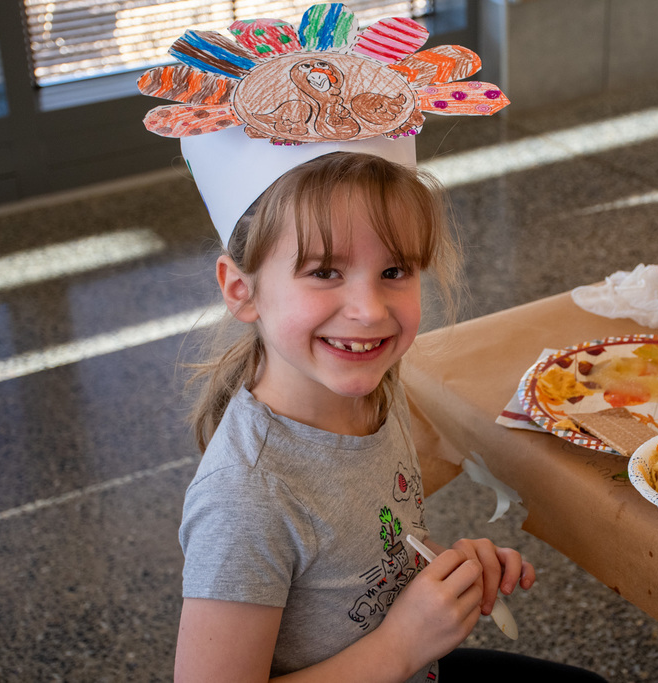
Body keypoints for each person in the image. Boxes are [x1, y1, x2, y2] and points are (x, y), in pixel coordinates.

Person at [174, 151, 606, 682]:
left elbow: (361, 556)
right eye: (325, 271)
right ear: (243, 289)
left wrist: (442, 574)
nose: (371, 310)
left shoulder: (375, 389)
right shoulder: (246, 498)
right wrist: (401, 643)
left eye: (394, 271)